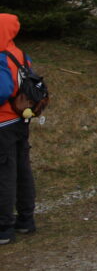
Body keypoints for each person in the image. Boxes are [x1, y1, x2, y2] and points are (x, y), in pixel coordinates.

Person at [0, 13, 36, 245]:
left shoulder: (1, 57)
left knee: (4, 174)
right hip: (21, 119)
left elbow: (3, 90)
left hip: (3, 123)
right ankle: (26, 219)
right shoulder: (20, 54)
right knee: (22, 170)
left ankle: (3, 228)